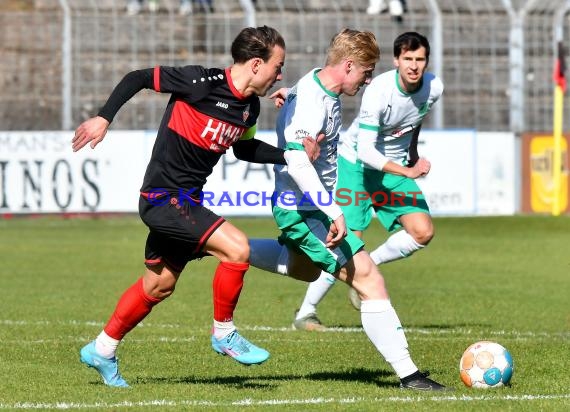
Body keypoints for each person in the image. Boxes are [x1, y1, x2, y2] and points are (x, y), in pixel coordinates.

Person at [73, 26, 318, 388]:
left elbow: (243, 149)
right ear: (255, 64)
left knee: (158, 286)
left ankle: (102, 349)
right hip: (162, 197)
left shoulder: (248, 109)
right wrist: (103, 117)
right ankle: (224, 333)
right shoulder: (199, 82)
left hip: (187, 202)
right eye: (277, 66)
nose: (280, 74)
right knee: (237, 249)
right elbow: (138, 77)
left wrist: (289, 156)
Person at [248, 29, 449, 391]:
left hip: (308, 208)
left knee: (305, 268)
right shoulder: (312, 99)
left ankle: (220, 245)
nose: (369, 79)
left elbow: (304, 91)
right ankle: (410, 375)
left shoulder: (314, 85)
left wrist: (287, 93)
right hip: (303, 209)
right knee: (368, 277)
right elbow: (298, 163)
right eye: (367, 72)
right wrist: (333, 210)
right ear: (349, 65)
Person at [292, 31, 444, 331]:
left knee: (423, 231)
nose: (414, 65)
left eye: (420, 59)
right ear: (397, 60)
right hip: (357, 168)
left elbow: (413, 123)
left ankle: (369, 261)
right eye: (408, 59)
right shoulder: (379, 91)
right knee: (348, 243)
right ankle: (305, 313)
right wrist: (408, 171)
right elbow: (366, 150)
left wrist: (410, 155)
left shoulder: (434, 87)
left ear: (427, 61)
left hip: (395, 169)